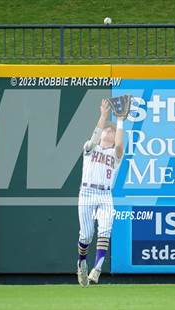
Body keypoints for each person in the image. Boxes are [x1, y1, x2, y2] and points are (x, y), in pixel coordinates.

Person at [76, 99, 124, 287]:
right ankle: (81, 263)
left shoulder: (115, 155)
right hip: (86, 192)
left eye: (112, 132)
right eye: (107, 130)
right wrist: (103, 117)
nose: (109, 133)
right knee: (86, 235)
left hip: (105, 195)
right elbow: (94, 138)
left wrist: (120, 120)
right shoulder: (90, 147)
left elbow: (120, 146)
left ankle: (97, 269)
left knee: (105, 230)